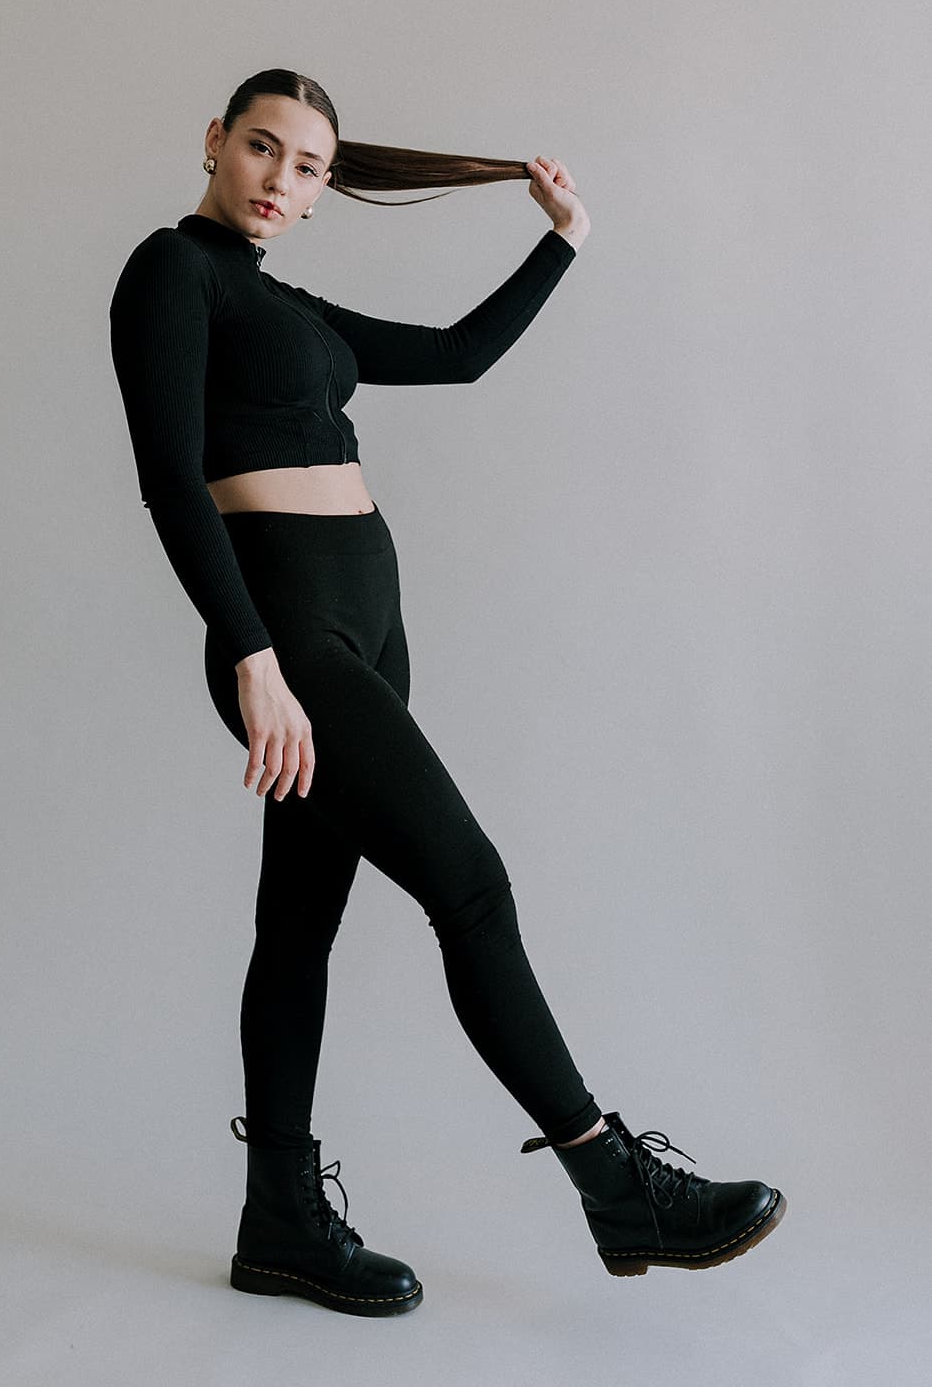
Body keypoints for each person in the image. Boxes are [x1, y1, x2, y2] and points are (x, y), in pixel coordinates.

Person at [109, 68, 785, 1317]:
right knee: (468, 885)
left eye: (307, 166)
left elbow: (458, 357)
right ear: (213, 141)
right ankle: (612, 1180)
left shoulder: (285, 302)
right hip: (292, 637)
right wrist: (252, 655)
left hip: (366, 635)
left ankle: (278, 1224)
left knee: (298, 925)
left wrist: (560, 242)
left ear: (324, 190)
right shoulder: (172, 272)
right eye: (261, 148)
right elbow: (165, 477)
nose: (279, 179)